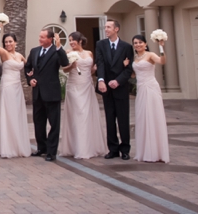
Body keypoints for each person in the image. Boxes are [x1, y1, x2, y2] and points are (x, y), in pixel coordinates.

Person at [60, 32, 106, 160]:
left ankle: (90, 146)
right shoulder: (68, 53)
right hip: (74, 87)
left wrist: (94, 70)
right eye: (70, 40)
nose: (71, 42)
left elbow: (90, 71)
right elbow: (64, 69)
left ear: (80, 40)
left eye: (73, 40)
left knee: (87, 115)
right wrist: (72, 66)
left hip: (87, 86)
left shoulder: (89, 53)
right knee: (79, 115)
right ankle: (78, 147)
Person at [25, 28, 69, 161]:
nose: (40, 39)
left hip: (51, 92)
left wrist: (59, 46)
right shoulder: (34, 51)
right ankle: (41, 148)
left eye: (43, 37)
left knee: (54, 123)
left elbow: (64, 63)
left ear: (50, 39)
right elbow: (27, 67)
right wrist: (29, 80)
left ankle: (51, 151)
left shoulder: (56, 51)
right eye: (40, 36)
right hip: (37, 92)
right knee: (38, 122)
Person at [95, 19, 135, 160]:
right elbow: (100, 63)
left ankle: (125, 149)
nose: (106, 29)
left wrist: (118, 81)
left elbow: (129, 68)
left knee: (123, 120)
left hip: (120, 88)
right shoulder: (100, 44)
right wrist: (101, 80)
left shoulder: (126, 47)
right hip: (106, 88)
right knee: (109, 119)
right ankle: (112, 149)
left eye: (109, 27)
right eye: (105, 27)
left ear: (116, 29)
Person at [0, 25, 29, 158]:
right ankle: (9, 147)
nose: (8, 44)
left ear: (15, 43)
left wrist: (32, 74)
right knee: (9, 113)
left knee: (17, 113)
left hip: (18, 87)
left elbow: (29, 65)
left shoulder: (19, 55)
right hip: (7, 86)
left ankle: (18, 144)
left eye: (10, 41)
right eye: (6, 42)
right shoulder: (4, 53)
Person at [132, 34, 170, 163]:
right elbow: (133, 74)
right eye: (135, 43)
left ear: (145, 44)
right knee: (142, 117)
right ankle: (144, 150)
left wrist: (161, 48)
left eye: (140, 42)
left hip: (151, 88)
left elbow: (162, 61)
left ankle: (156, 151)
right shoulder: (135, 57)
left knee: (153, 116)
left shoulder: (150, 55)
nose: (138, 45)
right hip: (141, 89)